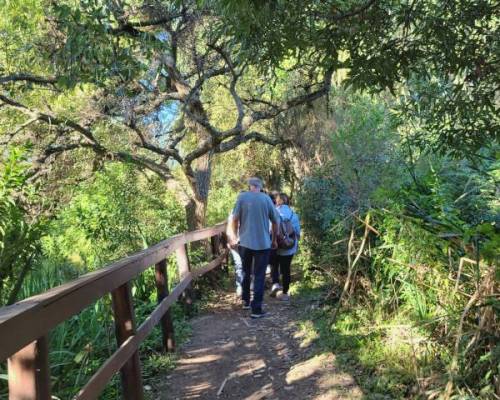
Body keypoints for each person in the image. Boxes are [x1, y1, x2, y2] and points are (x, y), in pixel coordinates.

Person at [229, 177, 279, 318]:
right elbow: (275, 222)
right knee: (259, 275)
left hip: (245, 243)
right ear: (260, 186)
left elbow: (234, 218)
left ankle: (245, 301)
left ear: (250, 186)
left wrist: (234, 234)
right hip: (263, 244)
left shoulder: (242, 197)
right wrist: (274, 240)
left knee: (245, 272)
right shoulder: (266, 199)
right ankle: (256, 309)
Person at [270, 193, 301, 302]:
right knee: (286, 268)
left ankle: (275, 284)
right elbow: (297, 232)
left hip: (276, 244)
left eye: (276, 200)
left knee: (274, 264)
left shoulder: (274, 213)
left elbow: (270, 229)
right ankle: (285, 292)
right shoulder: (294, 214)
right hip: (289, 246)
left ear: (279, 201)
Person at [226, 212, 244, 296]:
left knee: (247, 263)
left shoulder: (248, 213)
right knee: (238, 263)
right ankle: (239, 285)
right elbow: (229, 229)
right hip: (234, 244)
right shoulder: (232, 214)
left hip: (245, 243)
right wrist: (230, 240)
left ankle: (247, 282)